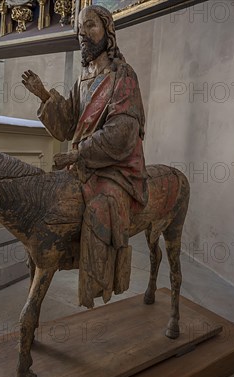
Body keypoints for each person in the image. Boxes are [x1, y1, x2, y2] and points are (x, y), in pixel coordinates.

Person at [22, 5, 148, 308]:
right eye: (79, 28)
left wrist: (79, 155)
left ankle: (100, 282)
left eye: (90, 26)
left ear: (108, 30)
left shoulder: (123, 76)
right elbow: (67, 126)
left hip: (115, 167)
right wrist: (44, 95)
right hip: (82, 164)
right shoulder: (83, 78)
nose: (83, 34)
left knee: (99, 208)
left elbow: (123, 131)